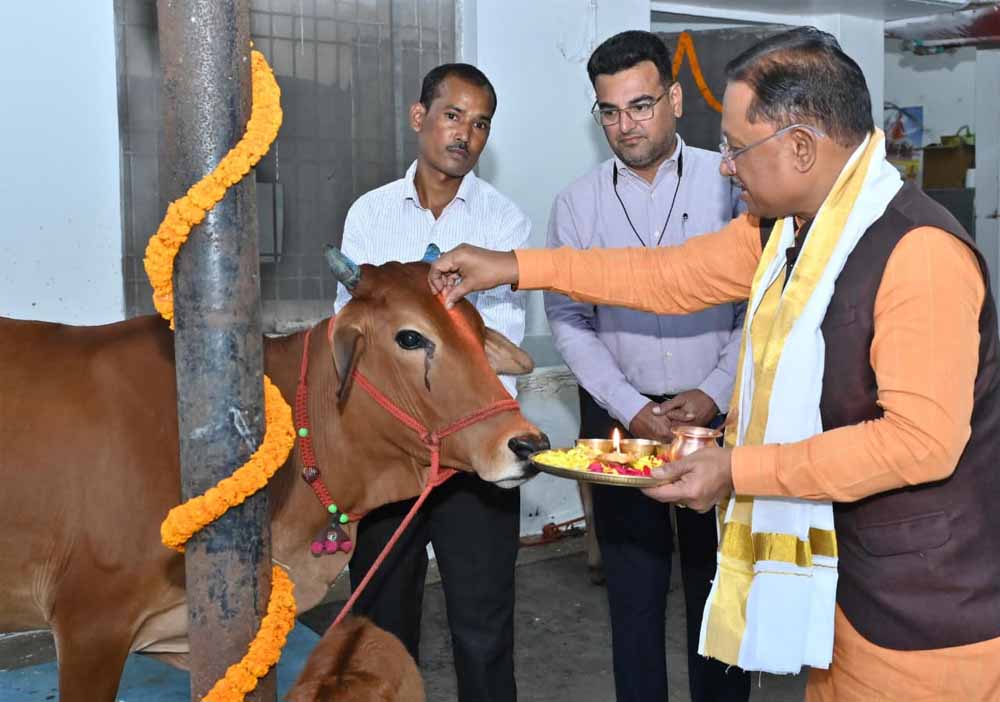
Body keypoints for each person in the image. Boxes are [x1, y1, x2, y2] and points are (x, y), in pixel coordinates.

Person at [428, 27, 1000, 702]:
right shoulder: (790, 232)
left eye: (736, 148)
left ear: (800, 147)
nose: (725, 167)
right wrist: (514, 266)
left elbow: (919, 445)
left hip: (924, 616)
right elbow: (666, 276)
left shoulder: (917, 253)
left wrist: (735, 470)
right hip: (843, 589)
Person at [544, 30, 749, 702]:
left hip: (715, 420)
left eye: (641, 105)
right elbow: (569, 320)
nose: (626, 125)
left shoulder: (732, 185)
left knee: (719, 597)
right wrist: (630, 407)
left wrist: (714, 391)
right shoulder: (577, 204)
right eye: (609, 111)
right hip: (622, 421)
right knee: (633, 598)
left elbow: (760, 307)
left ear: (676, 99)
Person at [334, 63, 529, 702]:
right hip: (390, 457)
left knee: (483, 629)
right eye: (452, 116)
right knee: (381, 633)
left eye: (480, 124)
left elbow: (498, 348)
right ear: (420, 117)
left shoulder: (503, 224)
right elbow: (353, 335)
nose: (464, 135)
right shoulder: (369, 215)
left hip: (475, 456)